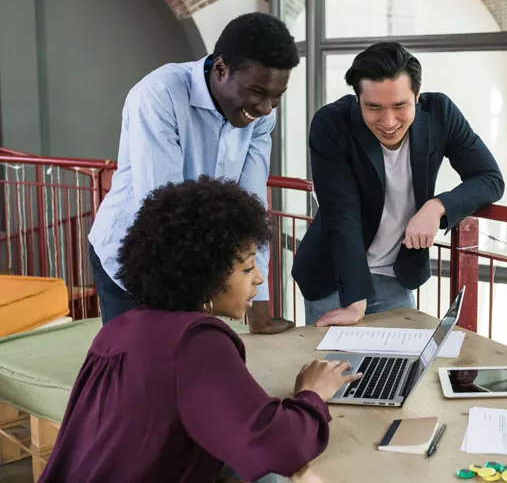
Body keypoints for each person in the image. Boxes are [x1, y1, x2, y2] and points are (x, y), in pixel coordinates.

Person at [40, 177, 361, 483]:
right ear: (206, 274)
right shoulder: (195, 341)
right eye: (247, 267)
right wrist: (312, 395)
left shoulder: (115, 331)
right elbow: (274, 448)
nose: (259, 279)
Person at [88, 12, 296, 334]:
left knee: (187, 360)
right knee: (139, 366)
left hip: (196, 263)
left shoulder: (259, 115)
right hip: (134, 253)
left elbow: (252, 207)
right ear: (221, 69)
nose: (266, 109)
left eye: (276, 97)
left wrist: (259, 301)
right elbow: (161, 214)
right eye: (257, 92)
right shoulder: (160, 94)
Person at [292, 42, 504, 327]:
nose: (388, 121)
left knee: (400, 367)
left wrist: (437, 206)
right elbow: (342, 213)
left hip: (396, 275)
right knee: (337, 369)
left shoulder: (440, 113)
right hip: (336, 276)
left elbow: (489, 178)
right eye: (374, 108)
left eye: (400, 106)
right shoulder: (331, 124)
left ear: (417, 95)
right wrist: (355, 300)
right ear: (357, 100)